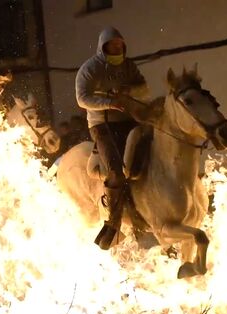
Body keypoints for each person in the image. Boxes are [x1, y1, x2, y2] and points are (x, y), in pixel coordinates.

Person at [75, 26, 150, 250]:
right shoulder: (90, 68)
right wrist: (108, 103)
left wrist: (131, 92)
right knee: (116, 171)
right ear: (104, 46)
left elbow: (143, 88)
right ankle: (113, 222)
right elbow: (82, 98)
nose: (117, 47)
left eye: (120, 44)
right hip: (102, 124)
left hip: (129, 120)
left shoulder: (129, 66)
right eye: (112, 44)